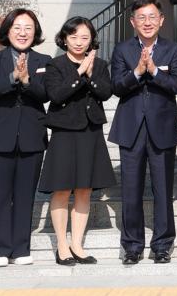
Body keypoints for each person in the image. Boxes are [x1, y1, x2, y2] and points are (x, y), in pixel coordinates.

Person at [109, 0, 177, 265]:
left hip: (162, 128)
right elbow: (116, 86)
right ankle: (132, 246)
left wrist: (153, 71)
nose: (147, 22)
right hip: (130, 128)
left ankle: (163, 245)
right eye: (141, 17)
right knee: (131, 190)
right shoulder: (122, 50)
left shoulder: (173, 49)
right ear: (133, 22)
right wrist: (138, 72)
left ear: (161, 20)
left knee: (163, 189)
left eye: (152, 16)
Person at [38, 16, 115, 266]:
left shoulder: (101, 64)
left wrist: (91, 75)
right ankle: (62, 245)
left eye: (84, 37)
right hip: (64, 132)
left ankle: (77, 244)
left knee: (84, 189)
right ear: (65, 39)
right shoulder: (56, 65)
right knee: (62, 189)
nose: (79, 42)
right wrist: (80, 73)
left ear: (92, 38)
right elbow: (56, 95)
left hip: (90, 132)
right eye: (73, 37)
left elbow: (106, 91)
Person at [0, 9, 51, 267]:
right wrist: (12, 78)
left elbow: (46, 94)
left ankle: (20, 248)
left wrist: (28, 80)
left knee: (25, 195)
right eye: (17, 27)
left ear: (36, 32)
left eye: (28, 28)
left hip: (32, 135)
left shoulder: (44, 60)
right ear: (8, 31)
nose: (23, 33)